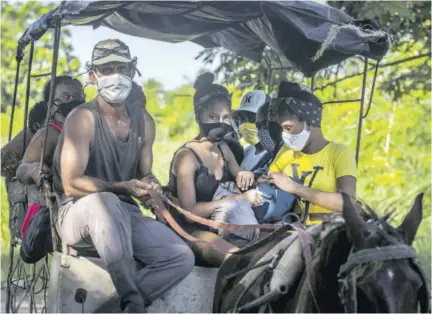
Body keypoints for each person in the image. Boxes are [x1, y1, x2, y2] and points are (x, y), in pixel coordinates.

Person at [51, 39, 194, 313]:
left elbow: (145, 172)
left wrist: (150, 185)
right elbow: (71, 184)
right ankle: (134, 301)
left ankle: (114, 310)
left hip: (125, 215)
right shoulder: (82, 118)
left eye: (122, 67)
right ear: (93, 76)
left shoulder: (144, 121)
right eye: (107, 69)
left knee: (180, 257)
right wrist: (123, 188)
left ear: (133, 70)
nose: (116, 74)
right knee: (105, 200)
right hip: (78, 214)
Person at [167, 72, 263, 266]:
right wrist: (239, 199)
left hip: (221, 226)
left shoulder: (224, 149)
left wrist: (246, 175)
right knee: (236, 259)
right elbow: (189, 211)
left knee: (272, 250)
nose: (220, 121)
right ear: (198, 116)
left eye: (226, 117)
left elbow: (241, 181)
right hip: (190, 229)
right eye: (213, 116)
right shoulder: (186, 156)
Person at [263, 82, 357, 225]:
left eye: (288, 127)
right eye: (282, 129)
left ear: (309, 122)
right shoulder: (287, 152)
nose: (285, 135)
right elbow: (268, 181)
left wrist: (296, 188)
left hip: (329, 231)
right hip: (291, 228)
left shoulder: (339, 153)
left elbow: (346, 203)